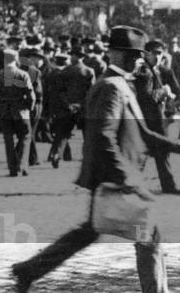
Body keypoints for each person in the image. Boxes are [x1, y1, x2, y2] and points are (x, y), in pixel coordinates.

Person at [12, 26, 180, 293]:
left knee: (92, 232)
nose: (140, 60)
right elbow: (103, 135)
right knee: (148, 235)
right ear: (118, 55)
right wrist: (125, 178)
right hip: (113, 178)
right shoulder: (112, 87)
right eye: (135, 55)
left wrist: (175, 146)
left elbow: (143, 133)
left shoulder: (120, 84)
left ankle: (29, 269)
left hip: (109, 176)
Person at [134, 39, 180, 194]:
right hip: (143, 118)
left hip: (160, 119)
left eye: (160, 53)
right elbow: (146, 97)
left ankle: (168, 186)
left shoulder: (164, 71)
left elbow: (177, 90)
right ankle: (130, 183)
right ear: (146, 53)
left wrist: (173, 101)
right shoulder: (142, 71)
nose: (158, 57)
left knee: (162, 152)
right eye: (155, 53)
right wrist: (164, 92)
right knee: (140, 152)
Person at [0, 49, 35, 177]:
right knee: (25, 137)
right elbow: (31, 96)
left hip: (4, 112)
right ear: (16, 60)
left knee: (8, 140)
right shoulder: (23, 75)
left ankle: (12, 168)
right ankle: (22, 165)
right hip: (21, 112)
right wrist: (28, 108)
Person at [48, 47, 94, 168]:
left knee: (63, 133)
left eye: (73, 55)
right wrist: (81, 104)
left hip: (67, 107)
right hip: (83, 108)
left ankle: (57, 155)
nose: (72, 57)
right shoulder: (89, 71)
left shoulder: (65, 71)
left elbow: (60, 90)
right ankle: (86, 158)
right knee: (86, 134)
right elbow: (91, 92)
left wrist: (68, 104)